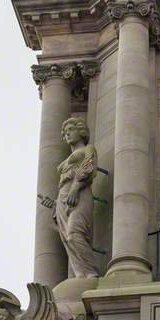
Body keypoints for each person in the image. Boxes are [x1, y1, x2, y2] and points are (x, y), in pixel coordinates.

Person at [53, 116, 99, 278]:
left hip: (78, 193)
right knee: (67, 238)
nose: (67, 134)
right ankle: (80, 274)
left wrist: (75, 188)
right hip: (63, 196)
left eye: (70, 130)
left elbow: (88, 169)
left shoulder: (88, 149)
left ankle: (91, 270)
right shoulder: (68, 158)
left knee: (74, 234)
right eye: (65, 132)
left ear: (81, 131)